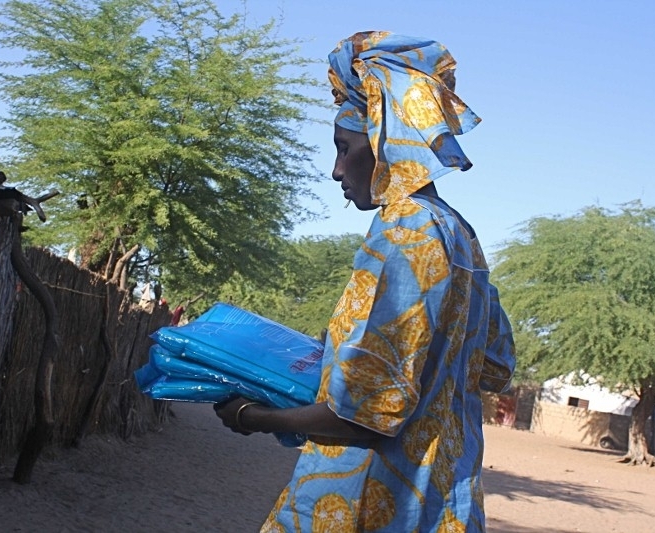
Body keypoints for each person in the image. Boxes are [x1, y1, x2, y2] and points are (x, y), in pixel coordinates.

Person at [214, 31, 516, 532]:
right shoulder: (461, 234)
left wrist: (252, 416)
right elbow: (496, 367)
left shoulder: (404, 230)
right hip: (442, 505)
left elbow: (364, 416)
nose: (336, 170)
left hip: (368, 501)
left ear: (382, 142)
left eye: (343, 148)